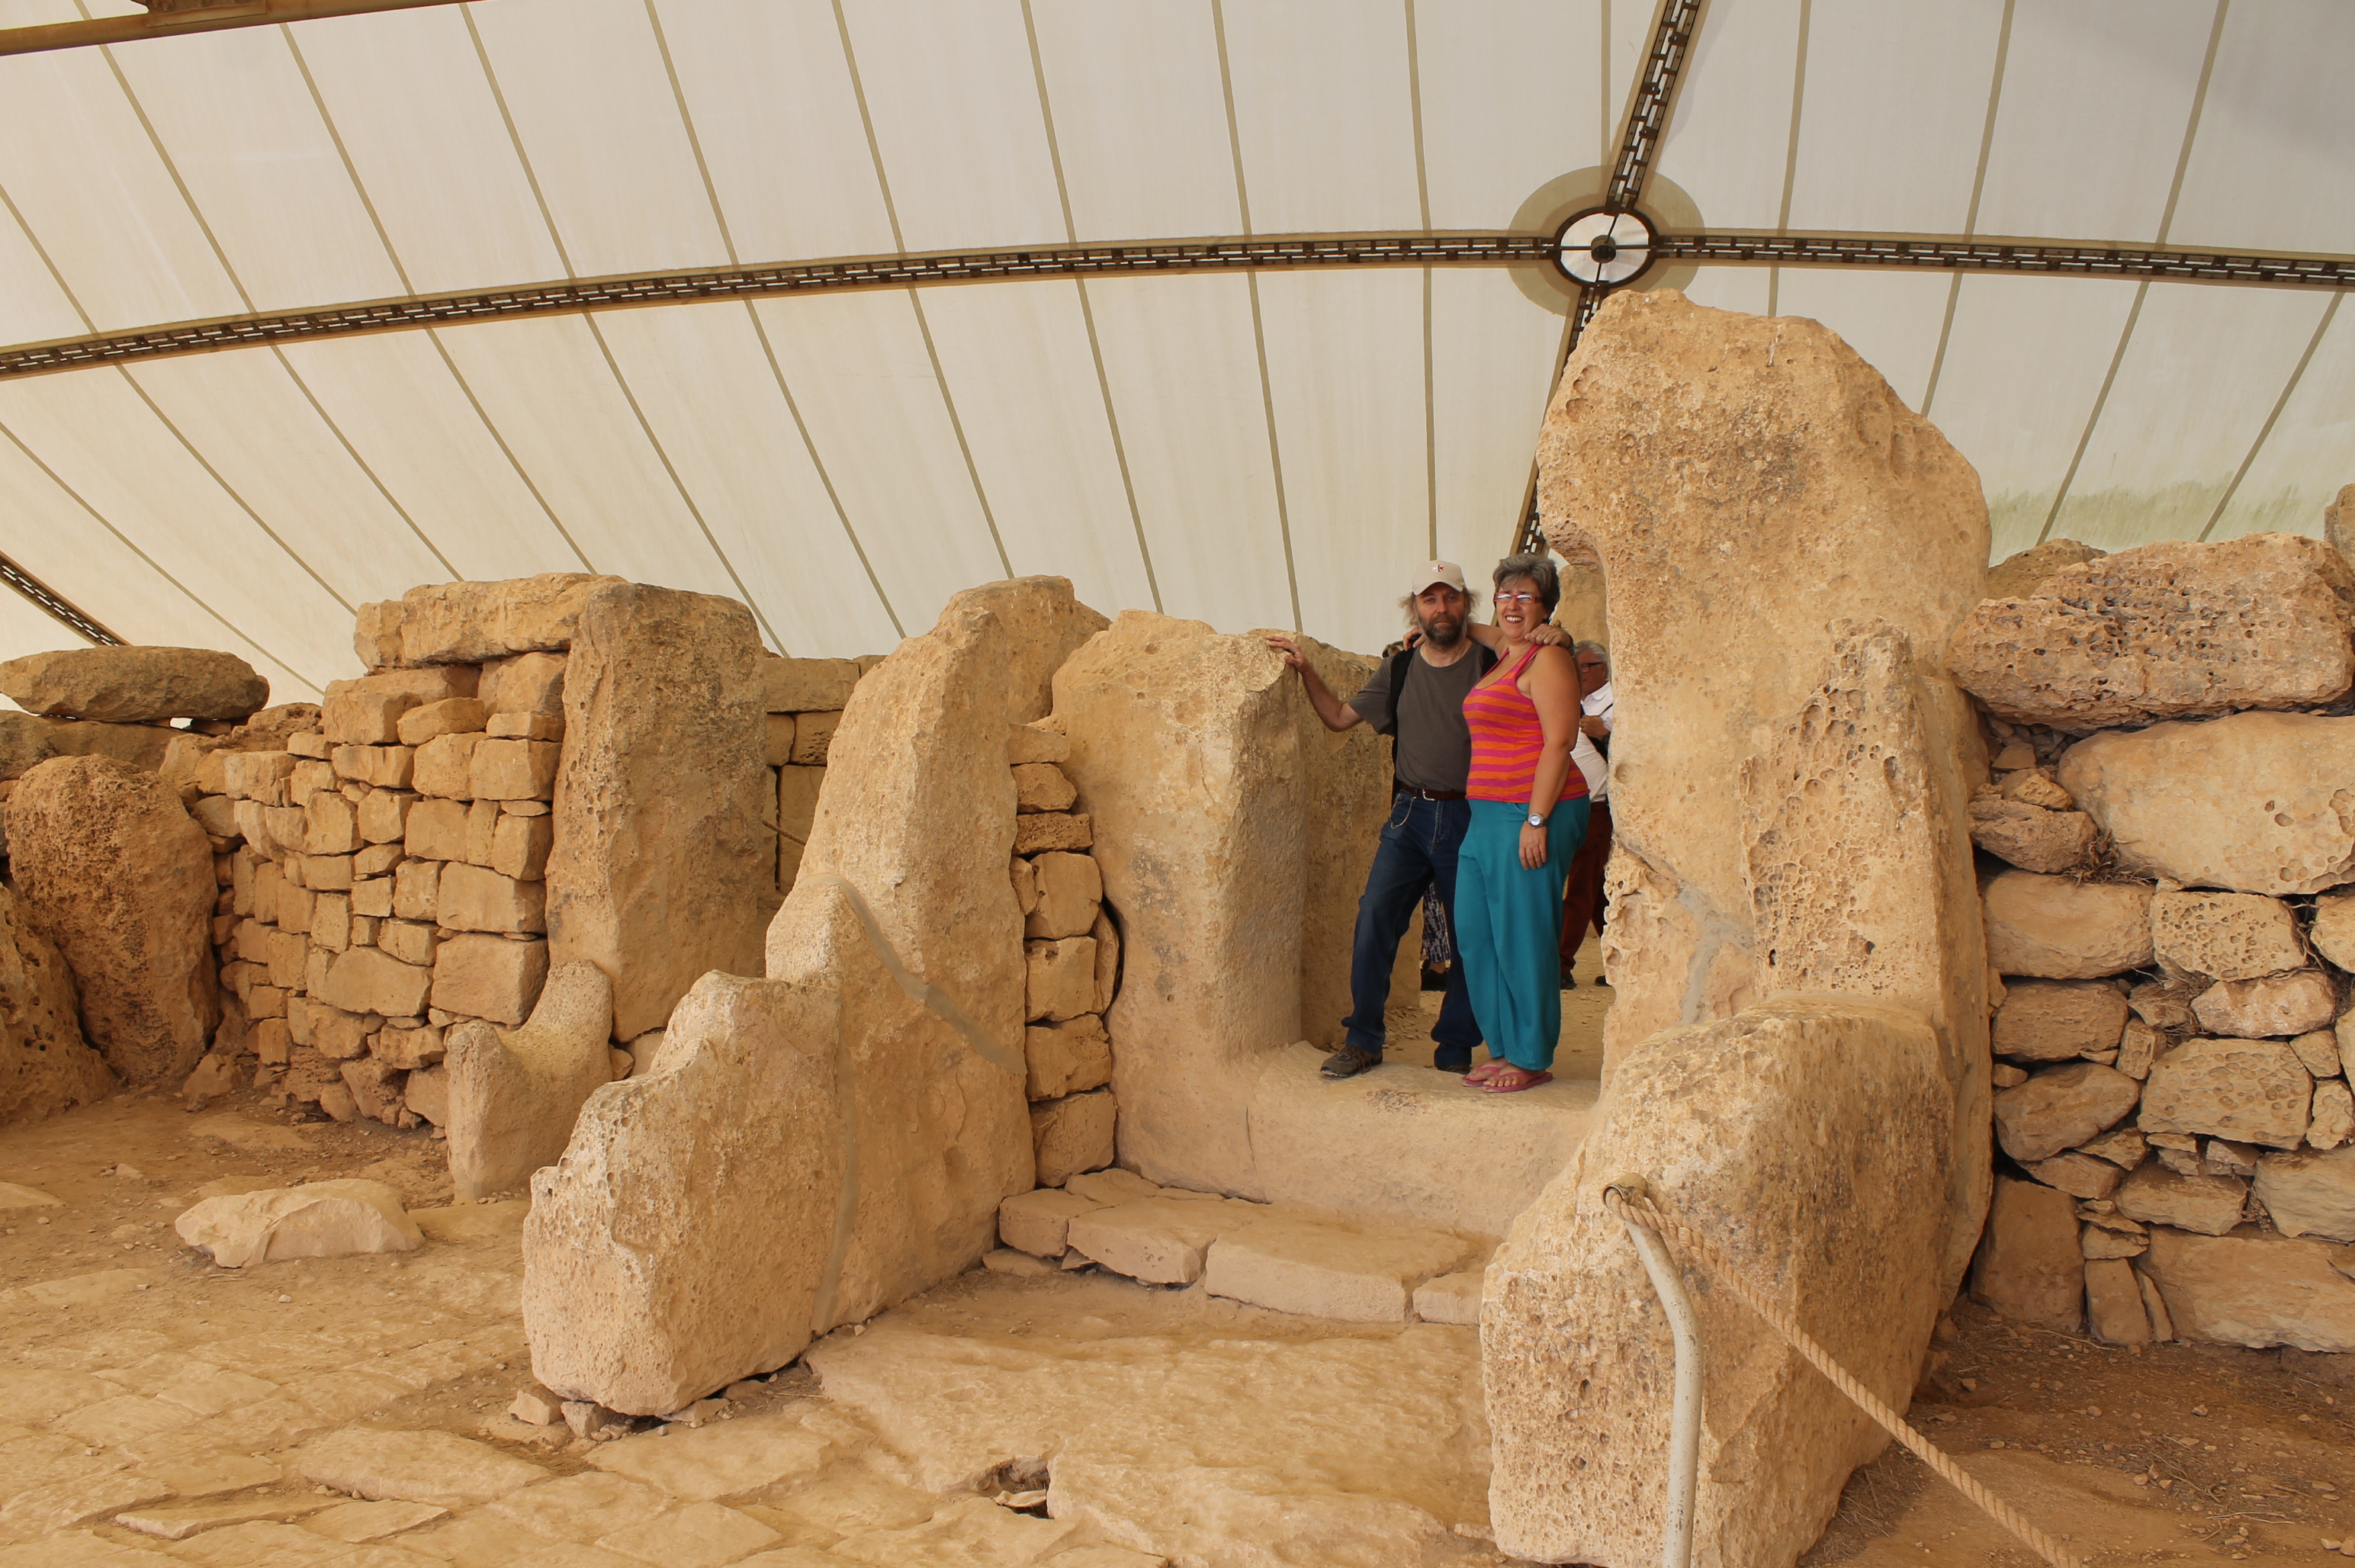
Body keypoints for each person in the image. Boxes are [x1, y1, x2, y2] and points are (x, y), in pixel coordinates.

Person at [1267, 561, 1563, 1079]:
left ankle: (1455, 1047)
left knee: (1470, 934)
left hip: (1472, 813)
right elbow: (1338, 718)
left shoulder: (1492, 659)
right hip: (1410, 814)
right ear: (1415, 609)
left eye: (1451, 598)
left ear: (1467, 604)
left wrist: (1558, 633)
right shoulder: (1399, 669)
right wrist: (1307, 671)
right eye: (1430, 600)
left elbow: (1536, 654)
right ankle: (1362, 1040)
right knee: (1375, 918)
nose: (1441, 609)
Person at [1454, 555, 1589, 1094]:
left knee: (1523, 937)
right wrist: (1439, 624)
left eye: (1526, 597)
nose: (1512, 605)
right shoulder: (1505, 650)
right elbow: (1475, 627)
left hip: (1531, 810)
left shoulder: (1547, 658)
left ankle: (1531, 1056)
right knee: (1477, 936)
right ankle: (1504, 1048)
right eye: (1505, 595)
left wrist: (1536, 819)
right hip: (1486, 814)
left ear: (1546, 608)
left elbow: (1561, 740)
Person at [1559, 641, 1614, 983]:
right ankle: (1621, 960)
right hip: (1569, 806)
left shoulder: (1617, 703)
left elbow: (1637, 754)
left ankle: (1560, 964)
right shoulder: (1569, 701)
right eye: (1575, 667)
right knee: (1594, 892)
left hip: (1596, 807)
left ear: (1603, 668)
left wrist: (1605, 736)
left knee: (1581, 887)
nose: (1580, 673)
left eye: (1585, 666)